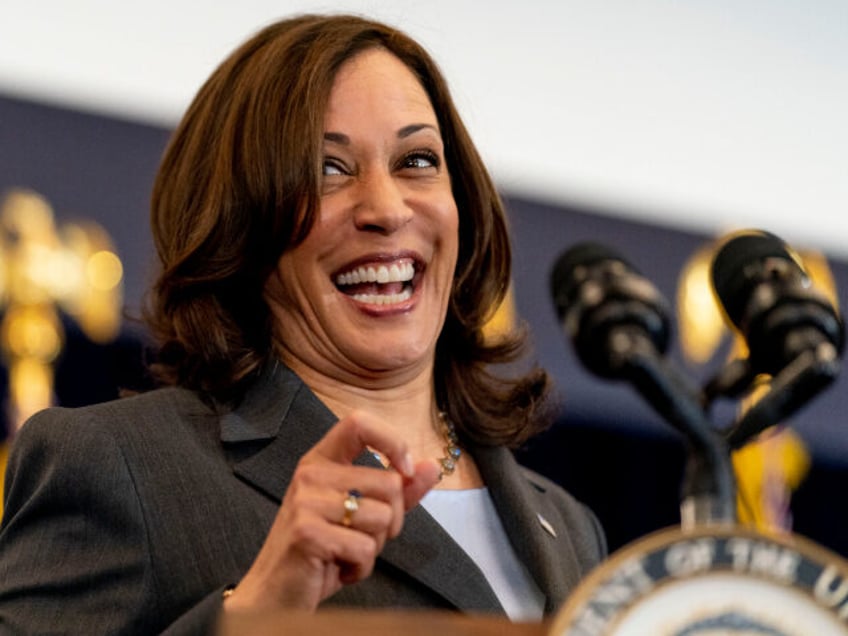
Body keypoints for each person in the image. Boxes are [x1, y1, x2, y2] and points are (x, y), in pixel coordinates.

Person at [0, 13, 606, 634]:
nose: (387, 209)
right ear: (239, 223)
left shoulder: (568, 527)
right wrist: (254, 611)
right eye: (329, 170)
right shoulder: (121, 465)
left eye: (417, 160)